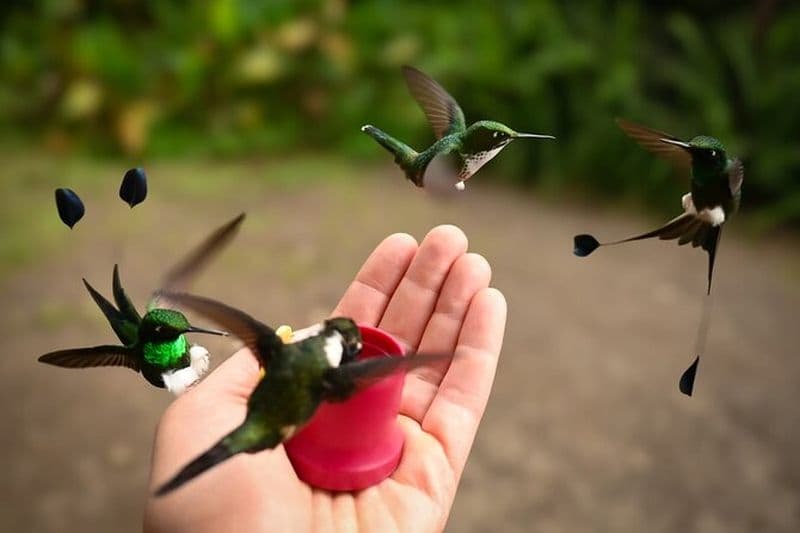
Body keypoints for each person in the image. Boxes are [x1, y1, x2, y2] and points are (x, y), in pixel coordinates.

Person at [143, 225, 507, 532]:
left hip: (261, 412)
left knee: (213, 458)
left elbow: (237, 320)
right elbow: (372, 372)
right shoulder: (333, 378)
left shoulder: (278, 346)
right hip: (277, 428)